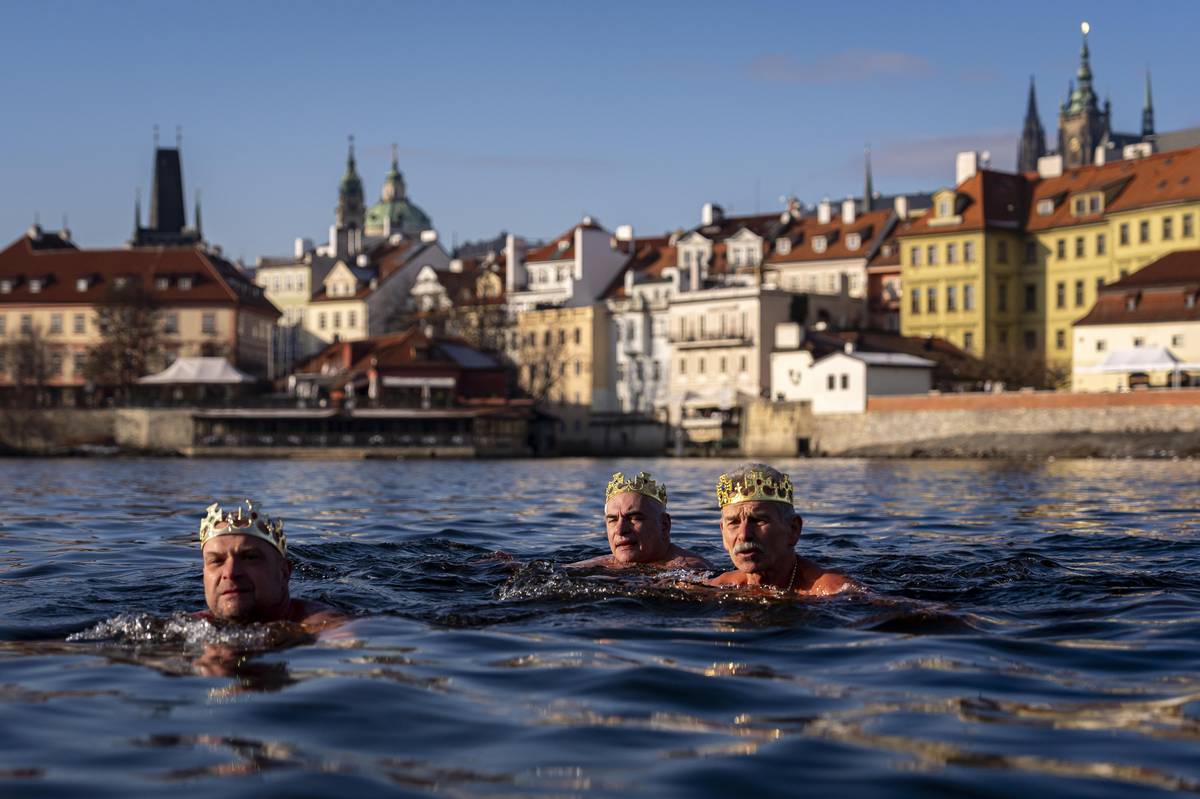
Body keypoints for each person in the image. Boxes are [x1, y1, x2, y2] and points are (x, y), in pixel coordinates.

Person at [707, 463, 854, 596]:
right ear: (722, 532)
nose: (744, 535)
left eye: (758, 520)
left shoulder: (834, 592)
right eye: (733, 522)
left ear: (793, 529)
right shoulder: (718, 587)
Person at [197, 499, 343, 629]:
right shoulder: (186, 628)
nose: (230, 573)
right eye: (216, 561)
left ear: (284, 572)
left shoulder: (327, 627)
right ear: (204, 576)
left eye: (249, 557)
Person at [569, 471, 712, 570]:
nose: (620, 530)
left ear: (664, 525)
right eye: (612, 520)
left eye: (634, 518)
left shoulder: (690, 570)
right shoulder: (597, 566)